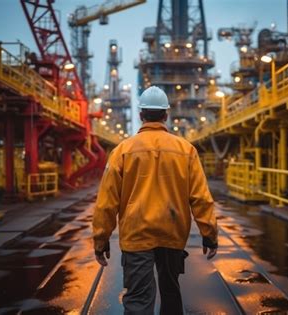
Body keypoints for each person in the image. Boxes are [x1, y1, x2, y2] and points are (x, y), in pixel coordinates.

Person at [92, 86, 218, 314]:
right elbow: (200, 197)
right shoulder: (186, 150)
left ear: (141, 115)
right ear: (166, 114)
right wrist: (209, 234)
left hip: (136, 235)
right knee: (170, 291)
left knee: (139, 298)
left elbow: (106, 202)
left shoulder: (122, 150)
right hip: (172, 233)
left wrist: (101, 239)